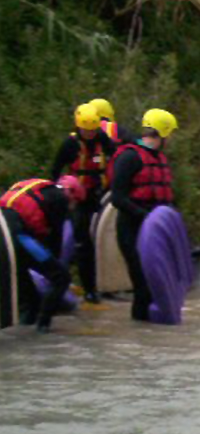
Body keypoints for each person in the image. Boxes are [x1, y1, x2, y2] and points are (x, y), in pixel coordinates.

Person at [110, 108, 178, 321]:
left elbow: (165, 198)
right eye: (171, 134)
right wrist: (147, 217)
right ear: (162, 133)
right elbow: (117, 198)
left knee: (156, 285)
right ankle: (140, 331)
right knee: (143, 286)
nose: (172, 139)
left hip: (154, 231)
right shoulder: (130, 157)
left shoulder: (158, 157)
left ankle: (150, 337)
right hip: (131, 229)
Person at [0, 176, 84, 332]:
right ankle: (43, 325)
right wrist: (56, 265)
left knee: (23, 276)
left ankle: (27, 321)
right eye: (75, 203)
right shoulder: (61, 200)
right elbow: (56, 238)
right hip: (17, 235)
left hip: (4, 234)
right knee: (61, 278)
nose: (73, 208)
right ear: (72, 194)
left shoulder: (38, 188)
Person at [51, 102, 115, 304]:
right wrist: (58, 193)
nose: (89, 134)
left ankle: (105, 283)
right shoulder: (70, 144)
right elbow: (56, 169)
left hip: (99, 195)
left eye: (92, 130)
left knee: (101, 237)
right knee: (83, 243)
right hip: (78, 199)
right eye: (85, 130)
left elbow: (115, 155)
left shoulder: (101, 138)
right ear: (78, 127)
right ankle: (89, 289)